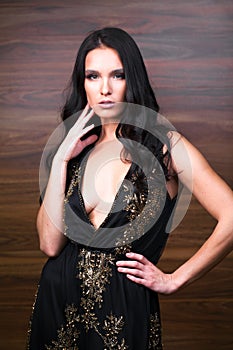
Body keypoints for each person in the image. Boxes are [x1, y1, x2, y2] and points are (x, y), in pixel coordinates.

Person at [27, 27, 233, 350]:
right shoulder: (71, 150)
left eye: (117, 75)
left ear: (132, 79)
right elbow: (50, 245)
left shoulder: (164, 146)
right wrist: (61, 160)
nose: (105, 89)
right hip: (56, 313)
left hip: (123, 316)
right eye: (93, 76)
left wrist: (174, 279)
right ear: (83, 83)